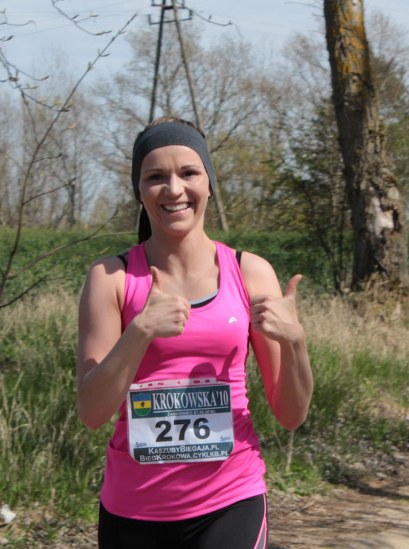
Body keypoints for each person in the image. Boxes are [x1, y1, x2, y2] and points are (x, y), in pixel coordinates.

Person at [76, 116, 313, 548]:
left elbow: (291, 415)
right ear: (139, 190)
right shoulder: (111, 277)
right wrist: (140, 332)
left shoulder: (250, 272)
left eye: (188, 173)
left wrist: (295, 343)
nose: (173, 189)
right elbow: (92, 413)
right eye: (155, 177)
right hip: (133, 507)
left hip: (231, 499)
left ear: (209, 183)